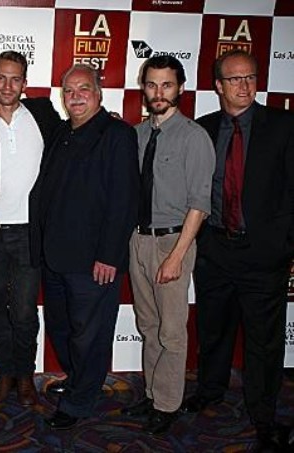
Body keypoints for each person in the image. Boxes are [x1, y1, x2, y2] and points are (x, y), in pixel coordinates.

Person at [180, 49, 294, 451]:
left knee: (264, 341)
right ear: (218, 86)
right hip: (214, 249)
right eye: (235, 79)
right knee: (214, 329)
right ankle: (210, 390)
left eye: (250, 77)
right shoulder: (203, 129)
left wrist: (284, 246)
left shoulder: (283, 125)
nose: (244, 85)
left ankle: (263, 416)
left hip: (263, 256)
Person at [29, 63, 139, 430]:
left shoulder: (117, 134)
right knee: (62, 329)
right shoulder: (61, 132)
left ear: (99, 93)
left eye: (84, 89)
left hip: (94, 260)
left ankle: (80, 402)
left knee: (90, 335)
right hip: (56, 256)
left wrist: (109, 255)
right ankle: (77, 382)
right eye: (69, 90)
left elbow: (124, 201)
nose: (76, 96)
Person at [121, 55, 215, 434]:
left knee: (172, 330)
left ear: (180, 88)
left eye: (167, 85)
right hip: (138, 240)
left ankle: (168, 404)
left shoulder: (193, 137)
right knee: (148, 325)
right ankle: (152, 396)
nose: (158, 93)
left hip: (173, 241)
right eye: (152, 84)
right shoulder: (138, 134)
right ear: (143, 87)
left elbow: (200, 204)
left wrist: (176, 256)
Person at [0, 51, 61, 406]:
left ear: (24, 84)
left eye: (15, 79)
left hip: (29, 231)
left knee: (26, 311)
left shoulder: (43, 115)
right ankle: (4, 374)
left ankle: (25, 376)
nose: (8, 85)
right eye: (1, 78)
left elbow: (79, 137)